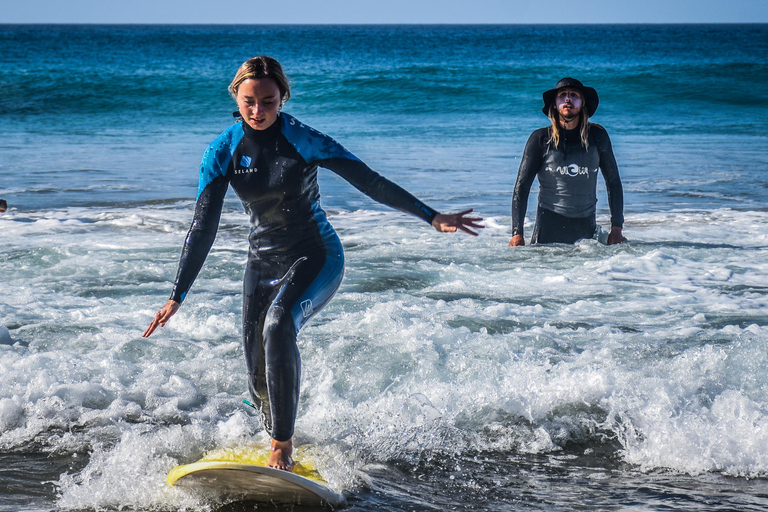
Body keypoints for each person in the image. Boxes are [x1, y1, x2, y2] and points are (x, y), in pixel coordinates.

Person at [142, 56, 483, 472]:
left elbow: (369, 181)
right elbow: (202, 228)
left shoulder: (303, 139)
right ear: (236, 96)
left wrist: (430, 215)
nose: (258, 110)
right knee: (257, 378)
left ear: (282, 97)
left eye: (268, 101)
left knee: (279, 325)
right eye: (250, 101)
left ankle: (282, 446)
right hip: (261, 263)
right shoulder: (222, 150)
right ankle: (273, 433)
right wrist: (177, 295)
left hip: (316, 255)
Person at [509, 78, 626, 246]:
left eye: (574, 95)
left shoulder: (597, 137)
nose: (568, 99)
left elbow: (613, 182)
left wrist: (617, 228)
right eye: (562, 95)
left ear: (583, 103)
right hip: (548, 230)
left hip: (586, 231)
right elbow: (522, 186)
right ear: (555, 104)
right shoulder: (540, 139)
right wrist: (517, 233)